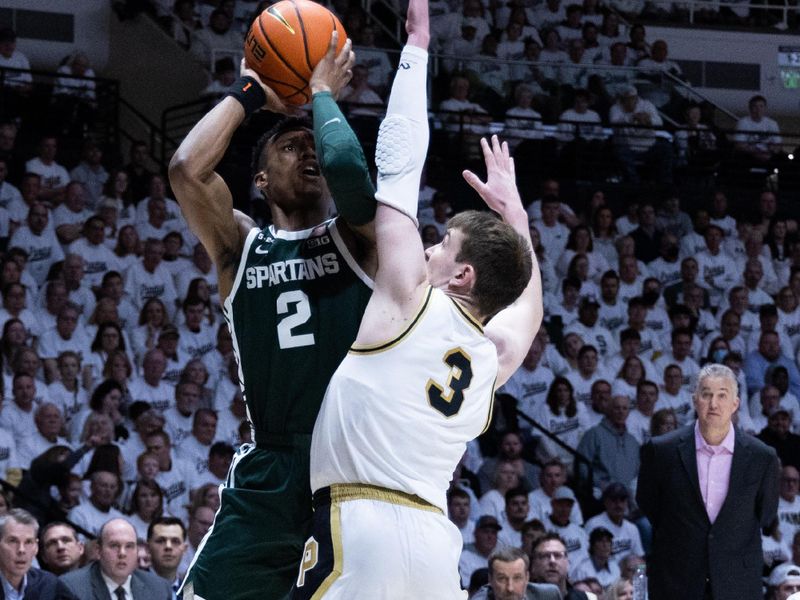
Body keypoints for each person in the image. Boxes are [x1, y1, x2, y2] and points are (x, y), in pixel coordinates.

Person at [296, 2, 540, 595]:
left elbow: (399, 167)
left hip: (361, 524)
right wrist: (517, 219)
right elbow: (529, 308)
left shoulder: (408, 300)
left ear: (460, 277)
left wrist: (416, 48)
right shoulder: (490, 358)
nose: (428, 248)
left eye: (441, 246)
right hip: (435, 543)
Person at [168, 21, 378, 599]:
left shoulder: (362, 239)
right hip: (273, 467)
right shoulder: (241, 245)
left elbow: (350, 173)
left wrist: (324, 99)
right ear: (259, 180)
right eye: (291, 147)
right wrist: (253, 89)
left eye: (313, 146)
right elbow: (187, 169)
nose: (308, 152)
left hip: (349, 465)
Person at [637, 363, 780, 600]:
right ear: (695, 400)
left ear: (735, 404)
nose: (714, 404)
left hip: (737, 584)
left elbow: (765, 514)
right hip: (677, 580)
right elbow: (648, 503)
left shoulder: (762, 457)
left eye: (722, 395)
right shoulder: (662, 451)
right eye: (706, 394)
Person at [58, 518, 172, 600]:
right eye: (114, 546)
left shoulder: (159, 588)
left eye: (129, 546)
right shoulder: (73, 588)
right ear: (98, 550)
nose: (122, 553)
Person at [0, 509, 59, 599]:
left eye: (28, 542)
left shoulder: (48, 583)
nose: (21, 550)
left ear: (36, 547)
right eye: (13, 541)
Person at [471, 547, 561, 600]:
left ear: (527, 578)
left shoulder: (548, 595)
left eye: (517, 578)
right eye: (502, 579)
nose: (510, 588)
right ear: (490, 580)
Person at [530, 533, 593, 599]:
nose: (552, 561)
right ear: (533, 565)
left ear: (568, 563)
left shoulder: (586, 598)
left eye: (558, 555)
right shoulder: (521, 597)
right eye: (545, 556)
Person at [147, 517, 188, 596]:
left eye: (175, 541)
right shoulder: (132, 585)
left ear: (184, 549)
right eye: (161, 541)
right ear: (148, 547)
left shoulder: (189, 593)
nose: (168, 546)